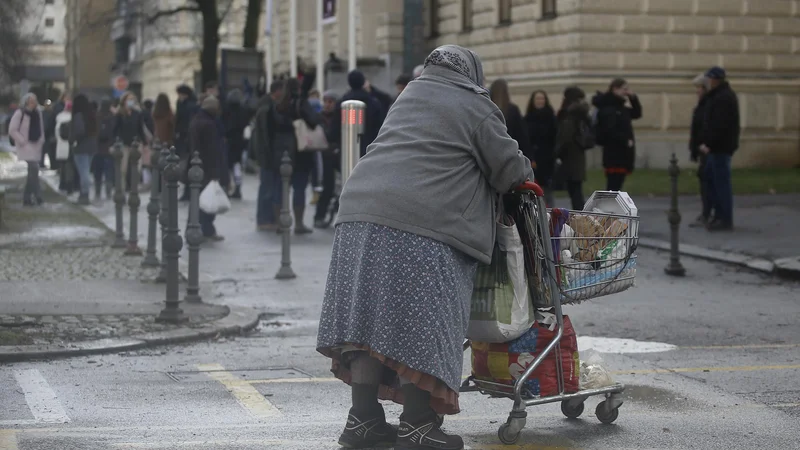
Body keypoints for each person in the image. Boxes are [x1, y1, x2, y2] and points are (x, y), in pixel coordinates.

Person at [316, 45, 533, 450]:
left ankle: (362, 422)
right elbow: (509, 170)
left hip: (357, 216)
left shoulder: (408, 97)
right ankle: (418, 426)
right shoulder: (475, 105)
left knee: (366, 325)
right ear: (472, 72)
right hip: (422, 226)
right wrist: (526, 170)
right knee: (420, 325)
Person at [270, 78, 319, 234]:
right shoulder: (300, 103)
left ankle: (280, 224)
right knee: (299, 188)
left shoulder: (277, 106)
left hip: (281, 152)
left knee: (280, 188)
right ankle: (298, 224)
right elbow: (313, 121)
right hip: (300, 152)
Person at [699, 66, 740, 232]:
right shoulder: (718, 96)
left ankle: (724, 218)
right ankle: (718, 215)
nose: (706, 81)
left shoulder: (723, 98)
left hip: (719, 148)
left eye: (708, 78)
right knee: (711, 179)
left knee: (720, 183)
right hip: (717, 147)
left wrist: (708, 144)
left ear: (714, 79)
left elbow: (718, 125)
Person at [592, 78, 642, 192]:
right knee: (613, 186)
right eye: (624, 89)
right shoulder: (609, 108)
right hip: (614, 153)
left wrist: (633, 98)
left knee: (617, 186)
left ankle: (612, 207)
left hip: (622, 153)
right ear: (615, 89)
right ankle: (609, 208)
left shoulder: (621, 107)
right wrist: (625, 140)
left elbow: (637, 113)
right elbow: (610, 131)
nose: (626, 92)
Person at [189, 95, 225, 241]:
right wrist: (217, 172)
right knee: (206, 202)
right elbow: (213, 151)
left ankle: (197, 229)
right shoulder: (209, 124)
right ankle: (205, 230)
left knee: (198, 200)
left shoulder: (196, 121)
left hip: (196, 165)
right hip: (208, 168)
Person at [252, 80, 284, 231]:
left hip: (266, 155)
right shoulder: (266, 108)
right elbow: (265, 135)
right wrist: (269, 154)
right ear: (277, 91)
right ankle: (264, 219)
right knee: (267, 188)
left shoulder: (267, 106)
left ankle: (266, 218)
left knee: (268, 187)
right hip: (267, 156)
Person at [332, 71, 385, 159]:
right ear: (363, 82)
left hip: (346, 148)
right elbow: (379, 127)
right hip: (369, 149)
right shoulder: (373, 103)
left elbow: (334, 129)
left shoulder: (342, 104)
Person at [556, 86, 592, 210]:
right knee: (576, 191)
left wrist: (556, 153)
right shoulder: (581, 114)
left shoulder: (569, 115)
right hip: (577, 157)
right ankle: (580, 217)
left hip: (569, 158)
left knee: (575, 192)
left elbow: (565, 137)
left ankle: (580, 220)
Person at [8, 93, 45, 206]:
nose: (33, 103)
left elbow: (41, 127)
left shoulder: (38, 113)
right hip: (25, 146)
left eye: (35, 100)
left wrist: (41, 140)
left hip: (36, 144)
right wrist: (22, 140)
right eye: (31, 100)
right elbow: (12, 130)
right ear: (26, 102)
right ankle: (36, 196)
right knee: (34, 168)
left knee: (33, 171)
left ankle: (29, 197)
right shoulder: (20, 113)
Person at [525, 90, 558, 206]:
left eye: (542, 98)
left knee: (548, 191)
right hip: (533, 158)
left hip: (548, 158)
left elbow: (555, 138)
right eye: (537, 99)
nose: (540, 101)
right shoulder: (527, 119)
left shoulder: (551, 118)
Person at [313, 90, 340, 229]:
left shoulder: (339, 117)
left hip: (338, 154)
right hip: (324, 155)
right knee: (327, 187)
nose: (327, 105)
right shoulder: (318, 118)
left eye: (330, 102)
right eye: (326, 101)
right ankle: (320, 215)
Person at [490, 78, 532, 167]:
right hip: (511, 154)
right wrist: (529, 157)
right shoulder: (512, 109)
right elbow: (522, 135)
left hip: (491, 154)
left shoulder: (486, 109)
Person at [688, 74, 712, 227]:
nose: (697, 91)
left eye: (699, 87)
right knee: (705, 181)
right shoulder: (703, 104)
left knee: (708, 182)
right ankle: (706, 212)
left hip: (707, 148)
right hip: (702, 147)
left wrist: (704, 144)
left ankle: (707, 213)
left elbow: (706, 127)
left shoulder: (708, 104)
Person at [113, 91, 148, 192]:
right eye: (129, 99)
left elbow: (140, 129)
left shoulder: (137, 113)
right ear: (124, 101)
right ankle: (122, 189)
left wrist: (145, 143)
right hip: (124, 144)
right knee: (123, 169)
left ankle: (134, 188)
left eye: (133, 99)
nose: (131, 101)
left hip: (136, 144)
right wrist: (116, 141)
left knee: (137, 168)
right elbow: (115, 129)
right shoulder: (120, 114)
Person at [70, 94, 99, 205]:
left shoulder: (78, 115)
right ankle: (84, 193)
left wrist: (72, 140)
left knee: (84, 172)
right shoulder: (91, 115)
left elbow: (79, 131)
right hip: (91, 146)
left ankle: (84, 194)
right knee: (86, 171)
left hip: (81, 147)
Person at [223, 89, 250, 200]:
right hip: (239, 141)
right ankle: (237, 188)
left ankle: (227, 187)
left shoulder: (226, 110)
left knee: (228, 166)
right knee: (237, 166)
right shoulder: (243, 110)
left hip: (228, 141)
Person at [93, 98, 116, 200]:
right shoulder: (112, 117)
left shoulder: (96, 116)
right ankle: (108, 193)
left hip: (97, 149)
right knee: (108, 172)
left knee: (98, 172)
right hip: (109, 149)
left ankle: (97, 193)